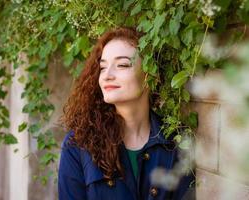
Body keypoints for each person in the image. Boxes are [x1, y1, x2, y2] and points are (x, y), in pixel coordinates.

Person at [58, 27, 195, 200]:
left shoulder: (177, 143)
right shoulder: (78, 144)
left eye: (122, 65)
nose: (107, 75)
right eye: (102, 67)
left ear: (150, 75)